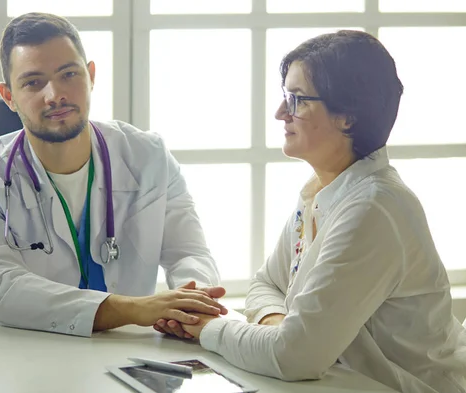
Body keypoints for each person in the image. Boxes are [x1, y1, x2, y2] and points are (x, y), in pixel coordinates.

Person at [180, 30, 466, 393]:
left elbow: (292, 357)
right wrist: (278, 324)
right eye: (286, 97)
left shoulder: (374, 208)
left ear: (347, 116)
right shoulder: (321, 193)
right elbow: (265, 284)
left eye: (297, 99)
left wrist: (206, 327)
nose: (280, 113)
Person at [0, 12, 227, 338]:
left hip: (117, 351)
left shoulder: (148, 157)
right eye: (33, 82)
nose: (55, 95)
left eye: (68, 74)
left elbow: (189, 253)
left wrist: (191, 302)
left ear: (91, 75)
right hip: (3, 352)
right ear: (9, 96)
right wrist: (135, 309)